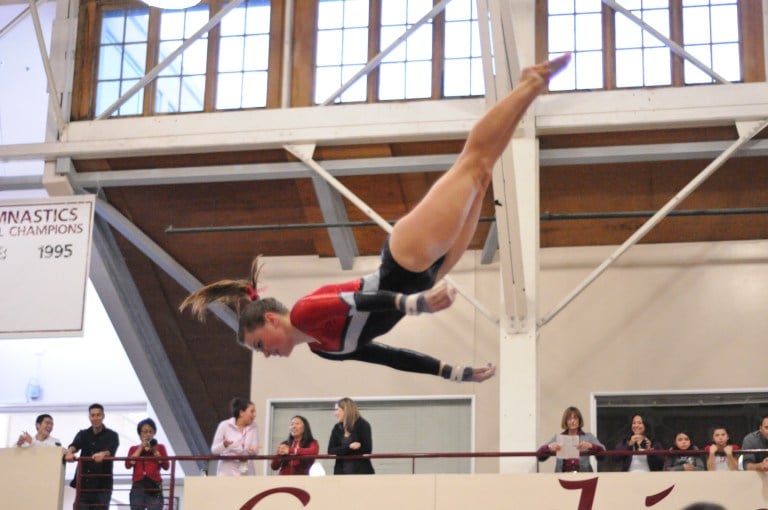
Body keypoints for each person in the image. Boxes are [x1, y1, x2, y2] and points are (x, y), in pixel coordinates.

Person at [179, 53, 573, 383]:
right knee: (483, 176)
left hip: (406, 260)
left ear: (270, 319)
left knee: (473, 164)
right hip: (429, 273)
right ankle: (527, 90)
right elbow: (387, 356)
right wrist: (452, 372)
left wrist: (414, 304)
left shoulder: (302, 312)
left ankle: (530, 83)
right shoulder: (324, 350)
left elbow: (361, 299)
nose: (264, 354)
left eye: (259, 344)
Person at [64, 403, 120, 510]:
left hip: (102, 487)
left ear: (103, 416)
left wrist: (102, 454)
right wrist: (70, 452)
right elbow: (74, 445)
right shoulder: (83, 434)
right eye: (93, 415)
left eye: (98, 415)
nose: (95, 418)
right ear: (89, 417)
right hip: (83, 485)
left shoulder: (112, 435)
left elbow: (110, 451)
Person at [536, 406, 605, 472]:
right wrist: (549, 447)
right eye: (569, 418)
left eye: (575, 418)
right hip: (562, 477)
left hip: (584, 476)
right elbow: (539, 456)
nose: (572, 421)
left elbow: (603, 455)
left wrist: (591, 446)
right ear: (565, 421)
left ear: (579, 420)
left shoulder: (588, 437)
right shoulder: (558, 437)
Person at [125, 418, 169, 510]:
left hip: (154, 484)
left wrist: (155, 451)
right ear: (140, 434)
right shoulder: (133, 449)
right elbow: (128, 465)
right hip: (138, 486)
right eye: (145, 432)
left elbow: (166, 466)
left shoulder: (160, 448)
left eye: (151, 431)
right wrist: (141, 447)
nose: (148, 434)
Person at [211, 397, 260, 476]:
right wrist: (224, 445)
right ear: (241, 413)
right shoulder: (224, 425)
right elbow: (214, 450)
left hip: (246, 472)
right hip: (227, 472)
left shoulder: (254, 426)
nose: (255, 415)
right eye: (252, 411)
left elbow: (255, 451)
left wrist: (252, 451)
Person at [328, 397, 374, 474]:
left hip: (361, 472)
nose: (335, 413)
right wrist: (349, 447)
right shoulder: (337, 428)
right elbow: (331, 450)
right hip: (341, 471)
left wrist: (342, 450)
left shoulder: (363, 425)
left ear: (345, 410)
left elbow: (367, 449)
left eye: (337, 410)